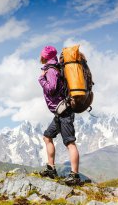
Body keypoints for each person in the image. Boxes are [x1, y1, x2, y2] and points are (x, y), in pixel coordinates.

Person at [38, 45, 81, 185]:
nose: (41, 57)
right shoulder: (56, 67)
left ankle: (75, 175)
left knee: (70, 142)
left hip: (64, 112)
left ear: (45, 56)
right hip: (59, 112)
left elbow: (52, 89)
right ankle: (51, 168)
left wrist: (42, 80)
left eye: (42, 55)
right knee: (47, 136)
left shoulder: (51, 70)